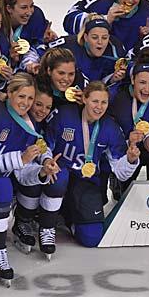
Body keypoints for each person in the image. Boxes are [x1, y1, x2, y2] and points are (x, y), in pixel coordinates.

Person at [0, 73, 58, 285]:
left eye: (30, 99)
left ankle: (0, 248)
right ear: (10, 93)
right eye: (21, 96)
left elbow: (22, 172)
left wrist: (42, 171)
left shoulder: (29, 125)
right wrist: (20, 158)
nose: (26, 103)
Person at [45, 81, 140, 247]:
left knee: (92, 238)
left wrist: (131, 159)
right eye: (95, 101)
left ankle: (68, 216)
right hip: (59, 174)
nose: (99, 107)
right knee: (59, 177)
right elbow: (44, 144)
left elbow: (121, 172)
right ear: (84, 100)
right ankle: (47, 223)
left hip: (85, 181)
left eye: (104, 102)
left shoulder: (110, 127)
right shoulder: (63, 114)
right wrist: (46, 161)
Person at [106, 50, 149, 200]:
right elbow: (103, 131)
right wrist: (126, 141)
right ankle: (116, 180)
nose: (147, 89)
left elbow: (147, 116)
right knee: (125, 193)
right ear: (132, 80)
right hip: (117, 145)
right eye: (142, 82)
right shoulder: (114, 97)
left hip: (138, 138)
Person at [63, 0, 149, 51]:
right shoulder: (98, 1)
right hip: (93, 60)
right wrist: (104, 20)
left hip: (125, 67)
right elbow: (68, 21)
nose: (130, 0)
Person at [0, 0, 58, 74]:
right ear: (9, 8)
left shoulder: (36, 16)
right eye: (24, 7)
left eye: (31, 6)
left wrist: (46, 40)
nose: (29, 12)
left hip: (29, 69)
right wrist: (10, 59)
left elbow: (38, 46)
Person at [41, 16, 127, 84]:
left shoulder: (116, 51)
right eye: (94, 37)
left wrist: (112, 79)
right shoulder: (67, 44)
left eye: (104, 38)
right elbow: (40, 51)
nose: (100, 42)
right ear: (85, 37)